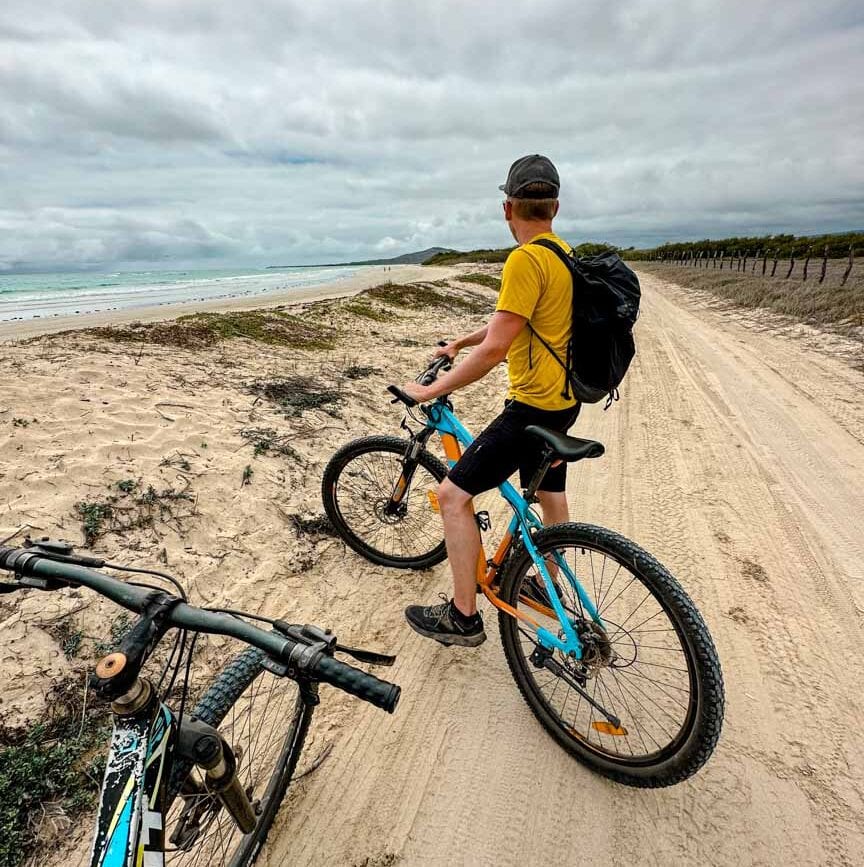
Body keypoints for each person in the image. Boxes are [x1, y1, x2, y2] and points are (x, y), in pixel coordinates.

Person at [401, 154, 580, 647]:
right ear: (555, 207)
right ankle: (548, 584)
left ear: (507, 208)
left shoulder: (524, 259)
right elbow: (516, 320)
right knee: (549, 493)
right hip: (564, 402)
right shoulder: (563, 254)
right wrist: (460, 342)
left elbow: (498, 347)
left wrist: (433, 389)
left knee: (452, 497)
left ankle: (462, 617)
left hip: (531, 409)